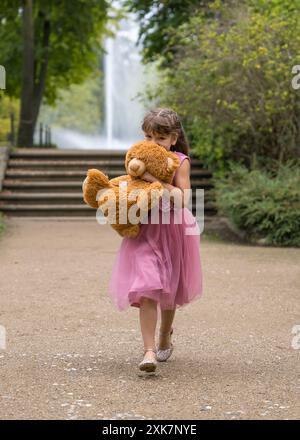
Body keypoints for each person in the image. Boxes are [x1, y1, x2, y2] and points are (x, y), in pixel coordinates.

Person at [108, 107, 203, 373]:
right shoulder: (138, 158)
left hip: (173, 230)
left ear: (173, 139)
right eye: (148, 137)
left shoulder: (180, 161)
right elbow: (128, 187)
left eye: (160, 138)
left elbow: (183, 199)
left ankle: (164, 333)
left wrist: (154, 180)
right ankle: (149, 351)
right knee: (148, 287)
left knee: (169, 289)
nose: (153, 144)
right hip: (144, 230)